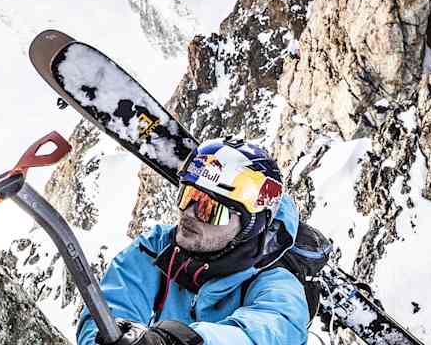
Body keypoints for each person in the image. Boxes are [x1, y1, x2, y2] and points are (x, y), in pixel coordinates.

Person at [76, 138, 309, 345]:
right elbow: (106, 312)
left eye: (210, 209)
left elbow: (269, 331)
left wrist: (181, 339)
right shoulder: (155, 247)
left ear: (250, 226)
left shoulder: (275, 282)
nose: (189, 213)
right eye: (188, 196)